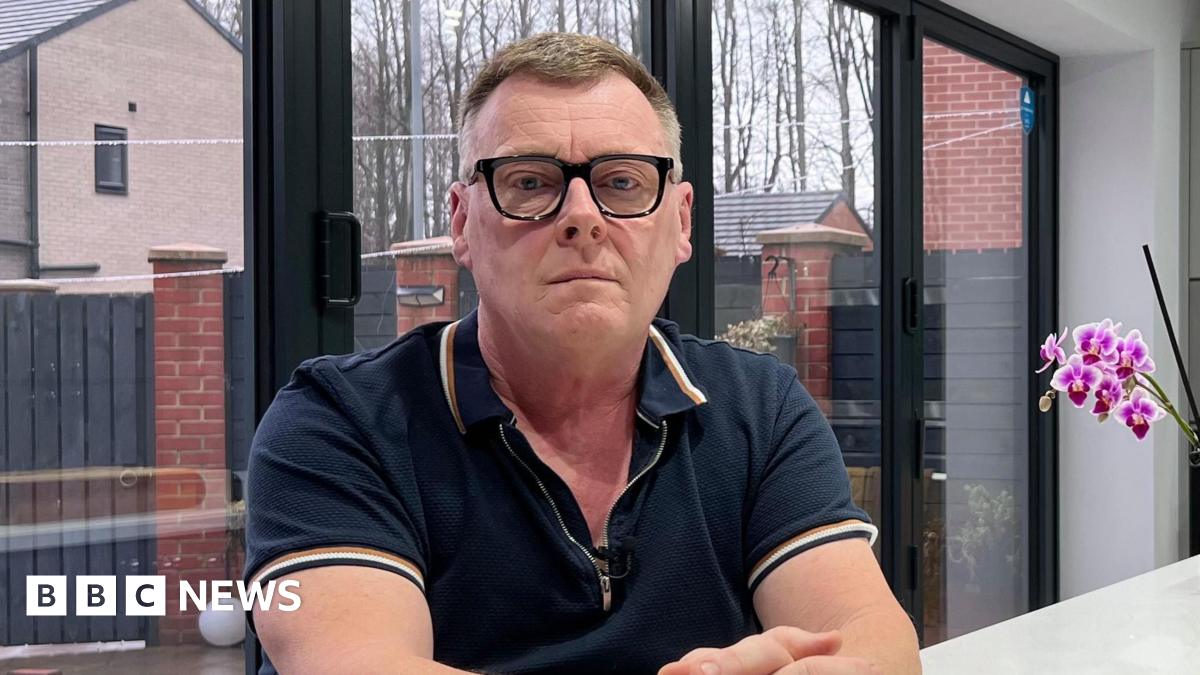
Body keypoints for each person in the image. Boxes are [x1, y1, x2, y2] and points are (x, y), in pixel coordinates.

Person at [244, 32, 920, 675]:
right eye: (530, 181)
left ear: (680, 221)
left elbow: (870, 640)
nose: (581, 214)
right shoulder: (339, 423)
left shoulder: (761, 410)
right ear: (460, 222)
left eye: (623, 183)